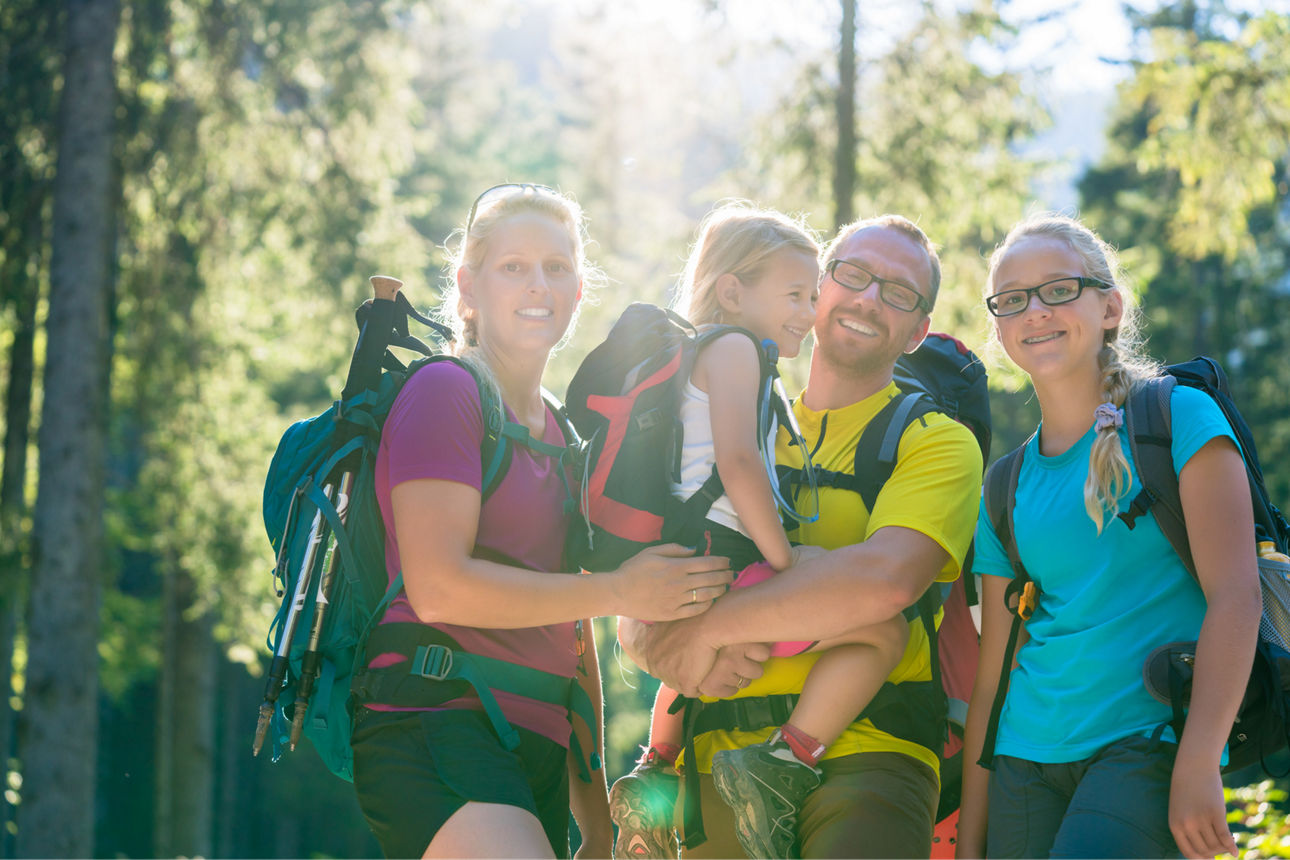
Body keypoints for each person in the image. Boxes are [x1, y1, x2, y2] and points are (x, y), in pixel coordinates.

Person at [348, 183, 733, 860]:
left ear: (580, 291)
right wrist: (620, 591)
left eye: (557, 268)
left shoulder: (562, 432)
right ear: (469, 286)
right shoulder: (446, 393)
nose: (539, 285)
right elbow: (438, 588)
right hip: (434, 720)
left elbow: (568, 635)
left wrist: (594, 825)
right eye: (514, 267)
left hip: (536, 749)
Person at [619, 214, 984, 858]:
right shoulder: (742, 418)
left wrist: (697, 632)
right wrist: (646, 637)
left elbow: (885, 582)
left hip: (872, 753)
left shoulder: (936, 444)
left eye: (899, 293)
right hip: (714, 760)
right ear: (818, 289)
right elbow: (642, 575)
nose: (869, 299)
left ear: (918, 331)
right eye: (854, 276)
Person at [956, 214, 1261, 859]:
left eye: (1058, 289)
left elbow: (1236, 595)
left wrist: (1199, 760)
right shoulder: (1004, 488)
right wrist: (969, 843)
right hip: (1021, 760)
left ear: (1110, 307)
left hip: (1145, 745)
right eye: (1013, 301)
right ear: (1000, 328)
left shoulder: (1176, 416)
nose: (1035, 311)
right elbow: (993, 682)